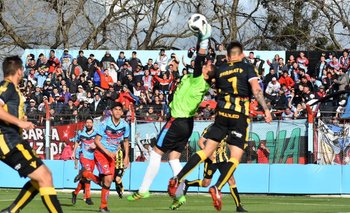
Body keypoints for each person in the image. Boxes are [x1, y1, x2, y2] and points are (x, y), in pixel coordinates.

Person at [168, 40, 272, 211]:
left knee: (205, 151)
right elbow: (256, 90)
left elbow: (205, 75)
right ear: (241, 54)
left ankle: (178, 178)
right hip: (239, 117)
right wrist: (266, 110)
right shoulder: (247, 68)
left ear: (228, 55)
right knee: (236, 156)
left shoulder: (220, 69)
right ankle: (216, 187)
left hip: (221, 116)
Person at [127, 21, 214, 201]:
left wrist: (204, 37)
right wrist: (199, 37)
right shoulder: (199, 81)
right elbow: (198, 59)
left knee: (156, 153)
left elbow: (200, 57)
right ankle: (180, 195)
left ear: (206, 73)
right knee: (174, 158)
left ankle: (143, 189)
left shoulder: (199, 79)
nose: (205, 64)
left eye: (207, 66)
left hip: (177, 120)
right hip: (187, 124)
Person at [0, 56, 63, 213]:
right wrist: (20, 123)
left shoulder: (12, 90)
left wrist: (20, 120)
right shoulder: (6, 86)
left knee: (40, 178)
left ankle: (11, 211)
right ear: (20, 71)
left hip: (13, 140)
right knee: (45, 177)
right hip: (8, 142)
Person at [171, 124, 247, 212]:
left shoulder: (229, 129)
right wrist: (209, 153)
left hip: (223, 160)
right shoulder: (211, 128)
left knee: (231, 180)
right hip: (210, 161)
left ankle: (238, 206)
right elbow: (200, 142)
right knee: (205, 183)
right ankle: (187, 183)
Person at [82, 102, 130, 212]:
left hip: (112, 155)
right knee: (108, 178)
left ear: (122, 112)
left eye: (120, 109)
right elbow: (96, 141)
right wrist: (108, 152)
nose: (118, 111)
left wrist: (126, 156)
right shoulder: (104, 124)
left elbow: (126, 141)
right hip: (101, 153)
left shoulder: (125, 125)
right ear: (112, 111)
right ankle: (103, 206)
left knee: (107, 181)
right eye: (115, 109)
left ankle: (87, 174)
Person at [71, 117, 97, 205]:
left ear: (93, 124)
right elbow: (77, 142)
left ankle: (75, 193)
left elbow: (101, 142)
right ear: (85, 124)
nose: (89, 124)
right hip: (84, 156)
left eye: (90, 122)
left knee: (85, 178)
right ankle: (88, 197)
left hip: (93, 158)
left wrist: (96, 145)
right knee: (88, 175)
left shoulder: (96, 134)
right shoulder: (80, 133)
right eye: (87, 122)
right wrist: (74, 152)